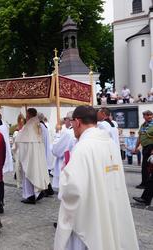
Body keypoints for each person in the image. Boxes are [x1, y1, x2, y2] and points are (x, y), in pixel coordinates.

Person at [54, 105, 139, 250]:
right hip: (108, 205)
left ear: (78, 122)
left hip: (89, 215)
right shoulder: (110, 143)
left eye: (72, 122)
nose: (72, 126)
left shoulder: (83, 147)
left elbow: (72, 189)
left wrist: (64, 174)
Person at [14, 108, 50, 204]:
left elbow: (19, 138)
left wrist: (15, 146)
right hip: (37, 153)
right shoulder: (38, 123)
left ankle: (30, 195)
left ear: (29, 115)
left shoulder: (29, 125)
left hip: (29, 155)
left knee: (28, 173)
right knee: (36, 171)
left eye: (27, 115)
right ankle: (37, 191)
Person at [51, 111, 76, 191]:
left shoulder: (68, 133)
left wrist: (57, 135)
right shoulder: (74, 131)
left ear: (70, 120)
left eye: (65, 119)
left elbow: (56, 151)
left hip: (65, 165)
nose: (64, 121)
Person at [133, 110, 153, 189]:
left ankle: (146, 184)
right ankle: (144, 183)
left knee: (148, 167)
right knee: (145, 166)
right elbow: (139, 137)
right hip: (145, 147)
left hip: (151, 147)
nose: (149, 116)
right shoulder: (143, 125)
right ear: (144, 116)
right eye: (147, 115)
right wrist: (136, 147)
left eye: (150, 115)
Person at [38, 112, 54, 196]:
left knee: (42, 173)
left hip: (42, 151)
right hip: (45, 150)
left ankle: (46, 191)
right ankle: (48, 190)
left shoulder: (40, 126)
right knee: (44, 173)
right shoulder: (44, 125)